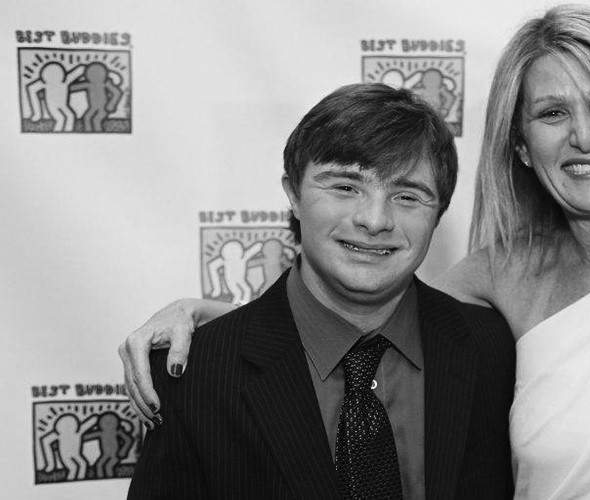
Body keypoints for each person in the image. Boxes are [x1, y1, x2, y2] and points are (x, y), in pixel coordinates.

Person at [121, 5, 590, 499]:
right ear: (522, 147)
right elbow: (346, 312)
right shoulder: (498, 286)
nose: (583, 136)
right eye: (553, 113)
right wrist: (214, 324)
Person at [125, 84, 515, 499]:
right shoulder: (196, 373)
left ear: (438, 213)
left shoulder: (491, 349)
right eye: (346, 187)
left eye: (407, 195)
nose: (374, 219)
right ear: (293, 193)